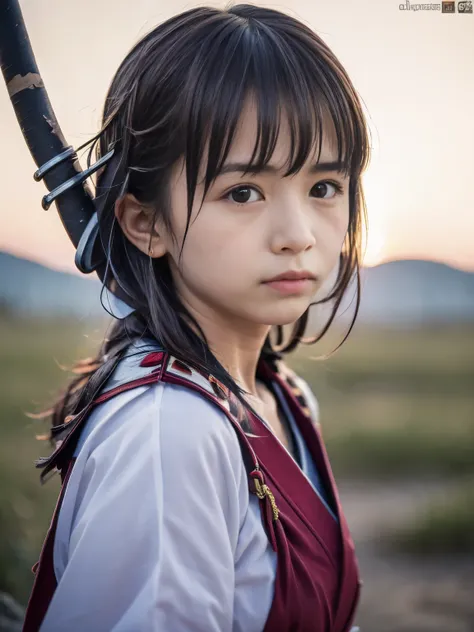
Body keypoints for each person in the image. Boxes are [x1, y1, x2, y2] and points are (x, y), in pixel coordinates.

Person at [23, 4, 370, 631]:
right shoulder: (171, 433)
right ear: (145, 221)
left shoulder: (283, 395)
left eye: (324, 186)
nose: (298, 235)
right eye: (243, 192)